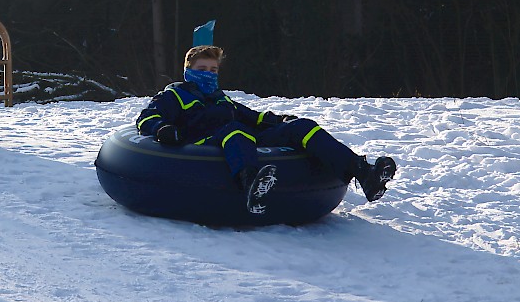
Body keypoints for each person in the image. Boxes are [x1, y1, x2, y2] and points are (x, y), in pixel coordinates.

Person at [135, 45, 397, 214]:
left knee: (302, 127)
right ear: (188, 70)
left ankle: (364, 173)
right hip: (202, 144)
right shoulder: (174, 95)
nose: (209, 74)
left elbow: (254, 117)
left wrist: (281, 120)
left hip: (235, 137)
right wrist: (163, 129)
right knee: (235, 130)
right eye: (202, 69)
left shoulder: (221, 99)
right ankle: (251, 184)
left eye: (213, 69)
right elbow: (146, 118)